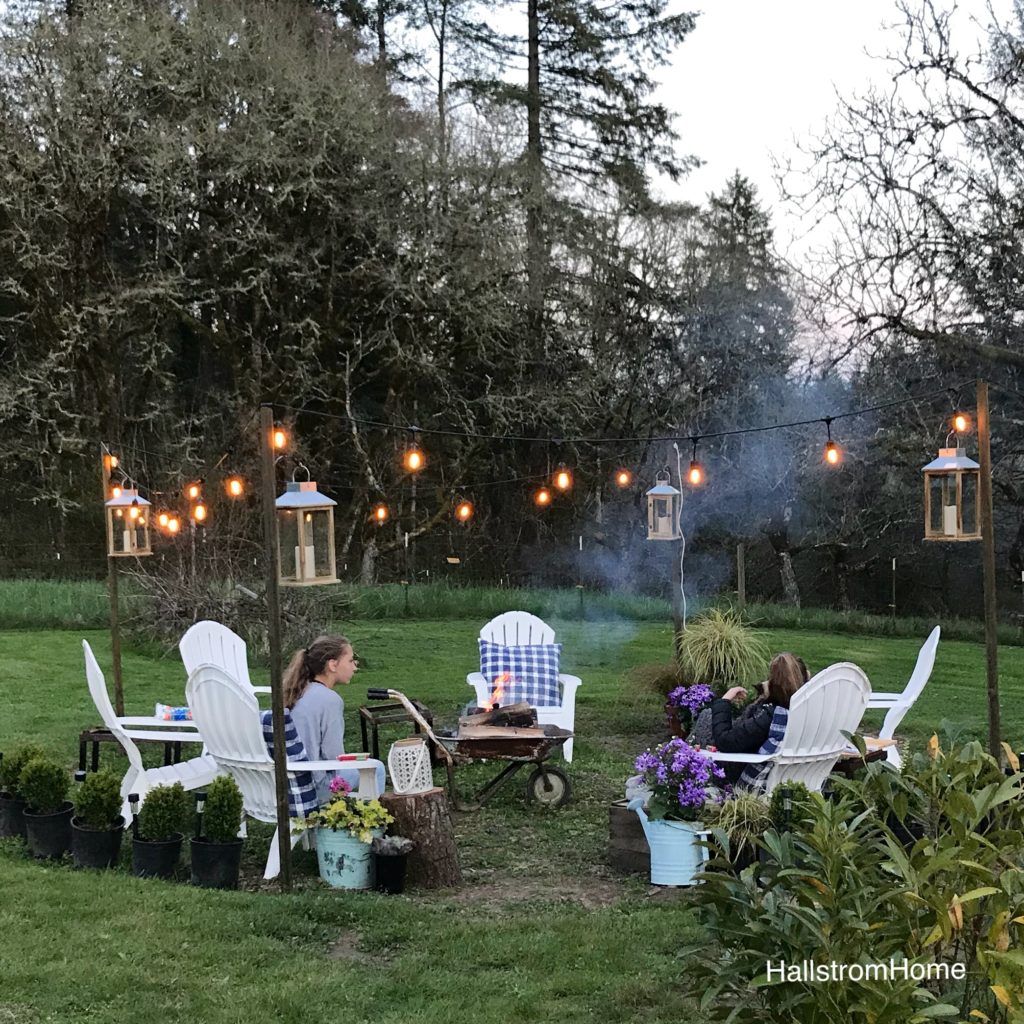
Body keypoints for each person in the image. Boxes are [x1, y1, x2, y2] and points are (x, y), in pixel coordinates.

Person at [283, 634, 385, 804]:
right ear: (332, 665)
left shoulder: (297, 692)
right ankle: (374, 823)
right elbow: (334, 756)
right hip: (315, 787)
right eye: (351, 661)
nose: (355, 667)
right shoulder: (330, 700)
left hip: (287, 784)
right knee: (377, 768)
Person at [709, 652, 808, 784]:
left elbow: (725, 741)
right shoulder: (809, 714)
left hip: (744, 779)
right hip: (799, 780)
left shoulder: (771, 717)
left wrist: (725, 700)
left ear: (773, 683)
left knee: (706, 716)